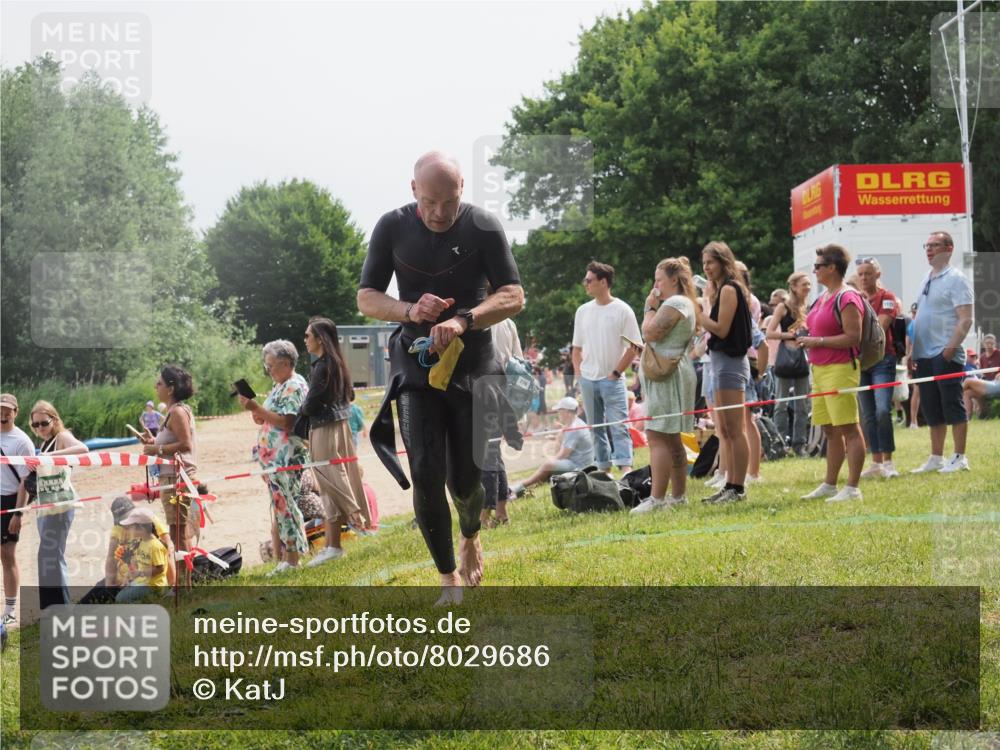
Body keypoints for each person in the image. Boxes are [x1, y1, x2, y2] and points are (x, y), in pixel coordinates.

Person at [358, 151, 524, 601]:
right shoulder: (391, 226)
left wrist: (464, 320)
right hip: (417, 364)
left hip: (473, 363)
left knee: (467, 481)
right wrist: (409, 310)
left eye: (448, 203)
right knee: (426, 470)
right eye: (429, 202)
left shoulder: (483, 226)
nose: (438, 213)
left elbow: (513, 295)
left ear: (462, 189)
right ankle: (447, 578)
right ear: (413, 189)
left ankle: (471, 533)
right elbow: (367, 297)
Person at [301, 318, 372, 568]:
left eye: (308, 335)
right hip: (339, 426)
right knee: (330, 481)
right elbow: (349, 395)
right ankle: (333, 546)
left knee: (329, 476)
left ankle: (354, 513)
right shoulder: (337, 363)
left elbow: (311, 404)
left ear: (320, 339)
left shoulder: (323, 366)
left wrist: (303, 408)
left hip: (325, 427)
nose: (305, 340)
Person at [798, 245, 866, 502]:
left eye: (818, 266)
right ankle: (830, 484)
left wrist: (818, 341)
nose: (814, 270)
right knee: (829, 429)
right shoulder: (823, 297)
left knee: (849, 427)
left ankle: (853, 488)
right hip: (819, 370)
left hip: (840, 369)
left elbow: (853, 337)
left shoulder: (847, 297)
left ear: (832, 268)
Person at [631, 258, 698, 512]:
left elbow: (649, 333)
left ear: (674, 279)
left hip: (668, 378)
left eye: (659, 279)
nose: (655, 285)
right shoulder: (682, 303)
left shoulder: (676, 303)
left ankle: (657, 499)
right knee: (671, 439)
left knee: (657, 435)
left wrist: (649, 308)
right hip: (670, 375)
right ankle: (678, 496)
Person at [240, 340, 310, 576]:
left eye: (271, 366)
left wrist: (257, 409)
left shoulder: (293, 385)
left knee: (286, 506)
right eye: (266, 366)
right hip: (274, 459)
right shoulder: (279, 385)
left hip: (286, 457)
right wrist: (257, 413)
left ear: (286, 363)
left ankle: (292, 559)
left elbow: (288, 422)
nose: (268, 370)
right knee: (281, 506)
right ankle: (288, 558)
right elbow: (269, 417)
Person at [910, 231, 974, 474]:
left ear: (949, 249)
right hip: (924, 354)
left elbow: (966, 319)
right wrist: (914, 350)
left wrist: (949, 350)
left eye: (935, 245)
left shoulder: (956, 279)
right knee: (931, 408)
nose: (929, 249)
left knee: (952, 405)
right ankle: (936, 457)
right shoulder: (927, 277)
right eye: (927, 246)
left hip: (944, 354)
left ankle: (959, 457)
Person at [572, 261, 642, 476]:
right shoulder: (582, 311)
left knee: (619, 425)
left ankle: (626, 469)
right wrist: (579, 377)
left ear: (603, 282)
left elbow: (635, 347)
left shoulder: (623, 310)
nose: (585, 284)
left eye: (589, 280)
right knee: (595, 428)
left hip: (612, 380)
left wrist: (615, 373)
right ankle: (603, 469)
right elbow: (576, 349)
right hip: (588, 379)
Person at [696, 242, 753, 504]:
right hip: (720, 363)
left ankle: (737, 487)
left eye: (710, 262)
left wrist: (699, 314)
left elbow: (721, 329)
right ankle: (729, 483)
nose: (706, 267)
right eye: (704, 263)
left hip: (731, 363)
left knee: (735, 429)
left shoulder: (730, 289)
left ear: (723, 261)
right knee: (725, 430)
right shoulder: (721, 290)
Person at [25, 401, 88, 608]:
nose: (40, 428)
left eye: (44, 423)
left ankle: (61, 607)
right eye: (35, 425)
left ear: (54, 420)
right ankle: (52, 606)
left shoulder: (61, 437)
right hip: (47, 505)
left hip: (61, 505)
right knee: (46, 556)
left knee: (52, 555)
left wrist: (48, 456)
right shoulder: (45, 444)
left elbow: (83, 448)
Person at [138, 366, 197, 562]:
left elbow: (185, 444)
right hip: (172, 476)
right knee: (179, 530)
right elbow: (175, 441)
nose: (156, 386)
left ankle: (183, 578)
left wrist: (157, 449)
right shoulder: (173, 411)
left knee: (178, 532)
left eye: (159, 383)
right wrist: (153, 442)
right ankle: (185, 577)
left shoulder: (177, 412)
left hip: (177, 477)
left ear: (170, 389)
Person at [854, 258, 902, 479]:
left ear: (877, 275)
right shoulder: (855, 298)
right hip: (861, 361)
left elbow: (880, 327)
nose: (864, 278)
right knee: (868, 414)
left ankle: (888, 461)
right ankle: (876, 462)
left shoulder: (887, 297)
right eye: (861, 274)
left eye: (868, 273)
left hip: (883, 359)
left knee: (882, 410)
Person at [481, 314, 523, 528]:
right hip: (504, 389)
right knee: (494, 454)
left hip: (485, 391)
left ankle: (485, 514)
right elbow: (519, 361)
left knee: (487, 456)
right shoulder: (508, 322)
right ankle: (501, 511)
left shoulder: (480, 319)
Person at [766, 272, 813, 456]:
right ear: (793, 287)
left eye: (809, 284)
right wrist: (791, 335)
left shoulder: (808, 307)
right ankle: (779, 445)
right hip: (785, 357)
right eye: (804, 284)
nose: (808, 288)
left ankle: (799, 444)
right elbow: (769, 333)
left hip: (802, 357)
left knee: (802, 404)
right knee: (781, 404)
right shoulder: (783, 307)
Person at [510, 398, 595, 495]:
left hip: (579, 467)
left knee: (548, 465)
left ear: (567, 412)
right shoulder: (574, 423)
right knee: (548, 467)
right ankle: (524, 488)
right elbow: (561, 451)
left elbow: (563, 454)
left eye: (559, 410)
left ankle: (519, 487)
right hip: (579, 462)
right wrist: (560, 435)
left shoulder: (573, 428)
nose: (558, 413)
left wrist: (551, 461)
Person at [0, 394, 34, 625]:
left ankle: (10, 610)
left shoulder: (22, 441)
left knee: (7, 555)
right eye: (0, 410)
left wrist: (18, 513)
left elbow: (26, 481)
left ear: (16, 412)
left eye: (7, 411)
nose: (2, 415)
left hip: (9, 501)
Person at [115, 507, 169, 603]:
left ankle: (148, 604)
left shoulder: (155, 546)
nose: (129, 531)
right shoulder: (141, 542)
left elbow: (160, 569)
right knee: (119, 593)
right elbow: (139, 563)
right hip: (143, 581)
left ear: (142, 528)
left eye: (131, 528)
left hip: (154, 586)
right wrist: (129, 576)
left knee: (120, 599)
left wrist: (140, 573)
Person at [906, 303, 921, 429]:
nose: (913, 315)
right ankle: (913, 421)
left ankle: (914, 421)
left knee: (918, 391)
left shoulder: (911, 325)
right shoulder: (915, 325)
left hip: (917, 359)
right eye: (913, 313)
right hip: (920, 359)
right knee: (917, 391)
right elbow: (911, 345)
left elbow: (908, 345)